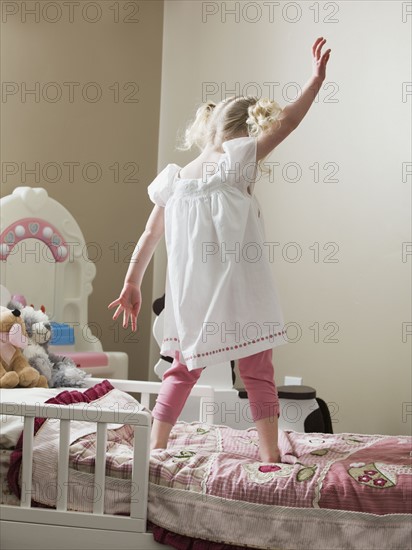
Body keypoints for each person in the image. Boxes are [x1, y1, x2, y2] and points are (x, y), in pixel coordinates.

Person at [108, 37, 331, 463]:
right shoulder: (236, 160)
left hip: (194, 295)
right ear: (246, 132)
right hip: (239, 293)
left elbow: (149, 236)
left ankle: (156, 447)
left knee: (182, 368)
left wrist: (131, 281)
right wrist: (315, 81)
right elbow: (288, 123)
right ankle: (269, 456)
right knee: (257, 372)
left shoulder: (174, 178)